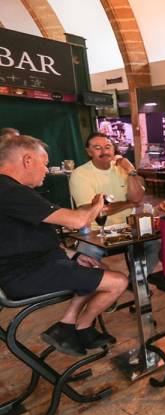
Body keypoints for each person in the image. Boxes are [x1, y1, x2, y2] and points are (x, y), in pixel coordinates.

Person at [0, 135, 127, 356]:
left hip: (35, 264)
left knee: (95, 267)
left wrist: (74, 256)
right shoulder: (8, 190)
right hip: (22, 275)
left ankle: (69, 326)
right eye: (45, 163)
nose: (47, 170)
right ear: (28, 160)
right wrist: (98, 204)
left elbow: (34, 239)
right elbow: (78, 221)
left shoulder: (12, 189)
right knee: (118, 282)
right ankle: (80, 325)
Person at [70, 132, 145, 227]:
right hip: (98, 232)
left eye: (108, 147)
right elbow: (89, 210)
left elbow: (137, 198)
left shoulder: (122, 168)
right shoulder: (80, 174)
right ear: (89, 152)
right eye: (97, 148)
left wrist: (130, 170)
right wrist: (128, 204)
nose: (104, 152)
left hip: (129, 228)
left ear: (114, 149)